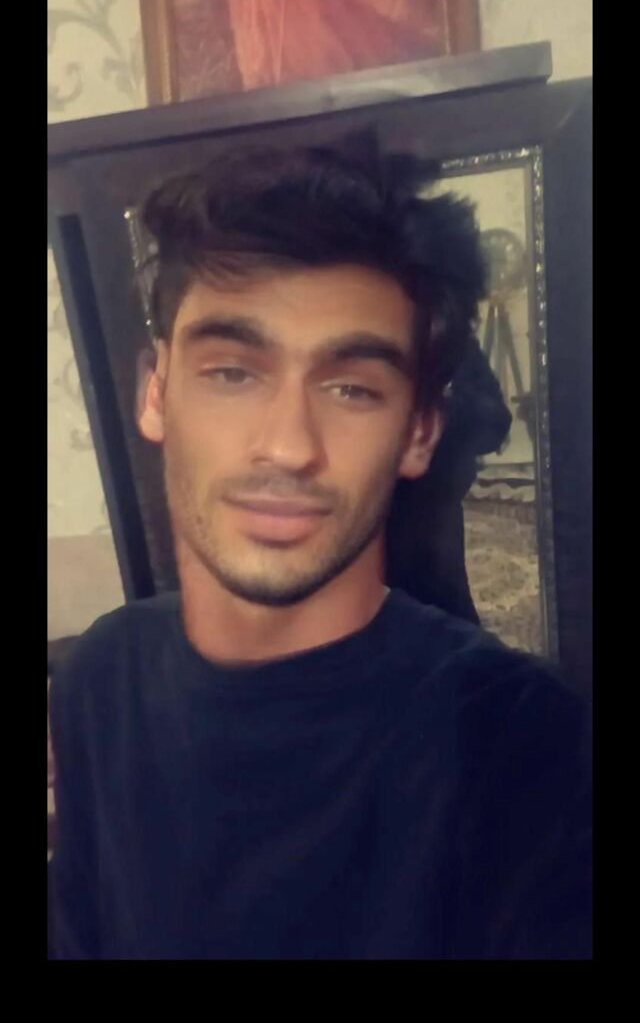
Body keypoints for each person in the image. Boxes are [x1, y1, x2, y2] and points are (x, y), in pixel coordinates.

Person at [48, 133, 591, 960]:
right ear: (155, 393)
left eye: (351, 389)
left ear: (419, 433)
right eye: (233, 372)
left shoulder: (520, 743)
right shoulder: (102, 678)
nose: (289, 445)